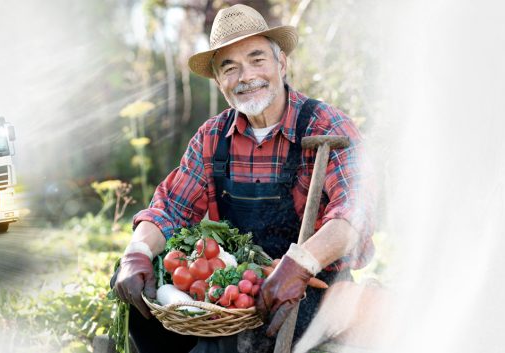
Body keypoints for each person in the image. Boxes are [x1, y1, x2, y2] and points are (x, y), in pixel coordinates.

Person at [110, 4, 375, 353]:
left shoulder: (326, 127)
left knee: (249, 344)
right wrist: (137, 252)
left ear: (282, 64)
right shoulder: (212, 137)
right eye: (229, 68)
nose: (246, 76)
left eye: (257, 59)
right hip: (235, 288)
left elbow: (354, 211)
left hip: (311, 285)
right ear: (220, 82)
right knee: (137, 298)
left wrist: (300, 264)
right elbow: (171, 209)